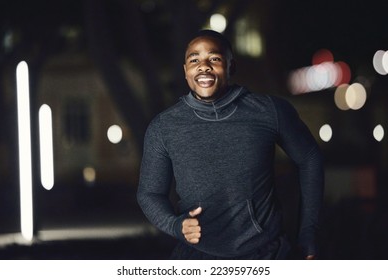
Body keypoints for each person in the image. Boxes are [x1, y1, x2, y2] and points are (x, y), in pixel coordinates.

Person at [137, 29, 324, 260]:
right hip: (196, 258)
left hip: (267, 255)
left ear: (231, 66)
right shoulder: (164, 127)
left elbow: (310, 159)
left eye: (214, 58)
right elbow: (150, 193)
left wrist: (307, 234)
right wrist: (176, 225)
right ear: (185, 71)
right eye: (194, 60)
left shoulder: (269, 111)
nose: (203, 66)